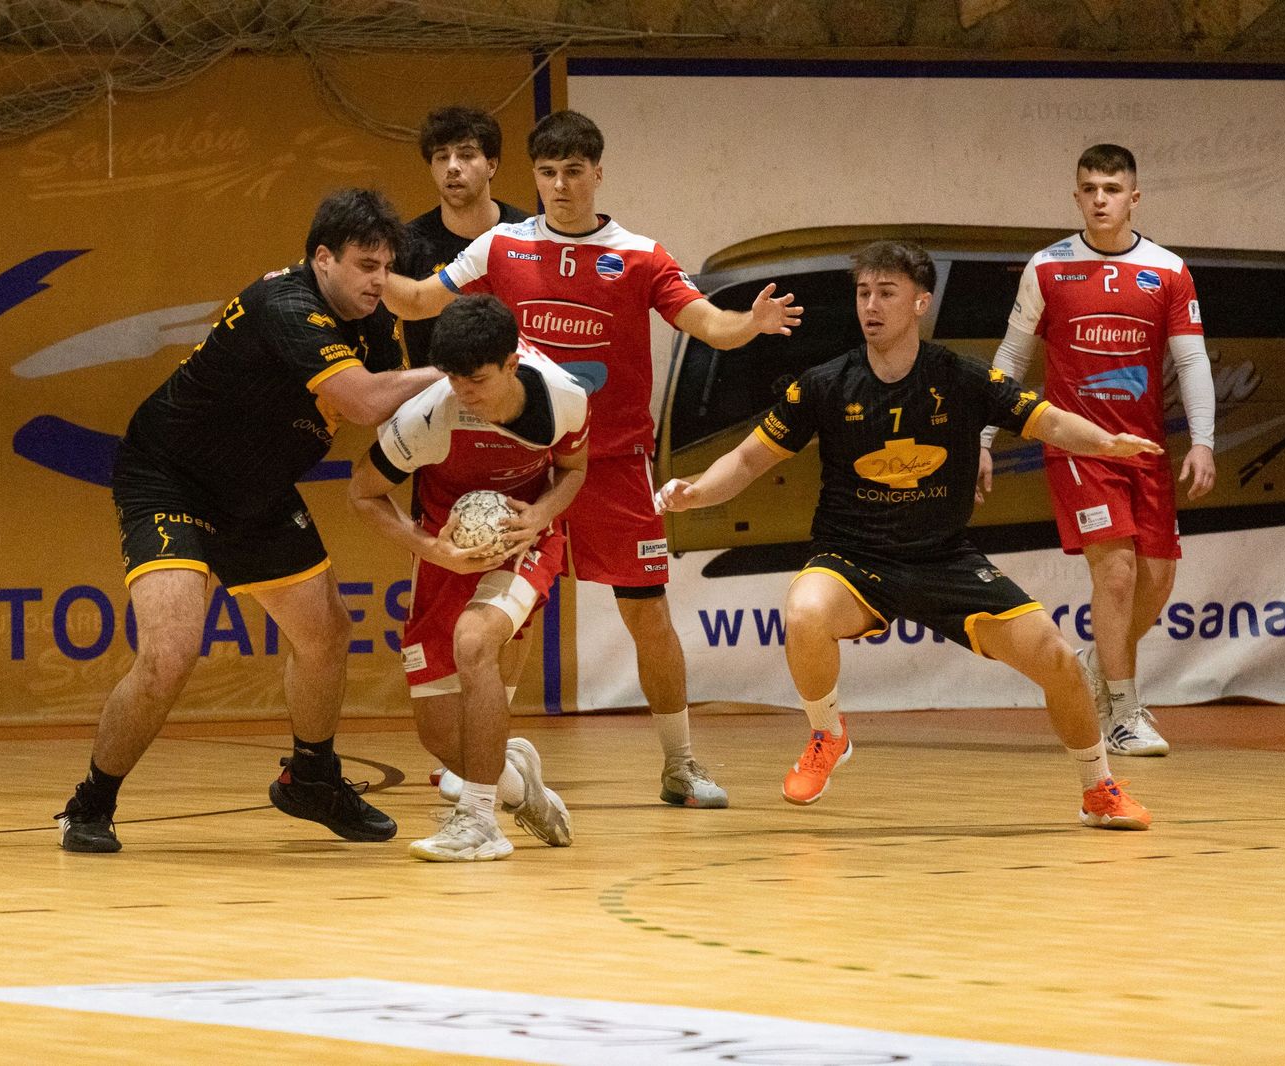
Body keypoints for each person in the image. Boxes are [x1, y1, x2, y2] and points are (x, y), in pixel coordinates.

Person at [383, 110, 802, 809]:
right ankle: (481, 762)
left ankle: (681, 764)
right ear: (534, 176)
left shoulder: (639, 255)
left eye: (573, 172)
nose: (559, 186)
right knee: (504, 620)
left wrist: (748, 325)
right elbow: (424, 298)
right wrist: (353, 275)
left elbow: (706, 323)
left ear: (597, 173)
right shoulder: (500, 246)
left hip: (609, 465)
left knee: (647, 617)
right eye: (547, 173)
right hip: (520, 465)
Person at [657, 240, 1154, 830]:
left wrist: (1103, 443)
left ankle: (1098, 788)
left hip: (943, 558)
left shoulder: (959, 377)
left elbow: (1043, 417)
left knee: (1059, 661)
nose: (871, 305)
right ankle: (828, 734)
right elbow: (744, 462)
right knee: (805, 611)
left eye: (886, 293)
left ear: (920, 302)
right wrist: (695, 491)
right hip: (852, 558)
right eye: (863, 293)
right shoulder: (824, 384)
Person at [53, 189, 443, 853]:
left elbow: (391, 409)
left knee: (325, 634)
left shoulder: (372, 320)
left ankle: (312, 779)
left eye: (386, 266)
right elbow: (365, 400)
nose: (379, 280)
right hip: (171, 478)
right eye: (364, 265)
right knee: (170, 654)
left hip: (258, 489)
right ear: (323, 259)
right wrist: (458, 372)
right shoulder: (286, 305)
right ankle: (91, 802)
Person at [978, 144, 1215, 758]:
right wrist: (983, 436)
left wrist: (1205, 442)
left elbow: (1190, 360)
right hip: (1077, 447)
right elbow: (1009, 358)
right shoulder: (1048, 267)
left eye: (1112, 188)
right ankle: (1123, 711)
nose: (1101, 199)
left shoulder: (1167, 269)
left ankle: (1093, 663)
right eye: (1090, 188)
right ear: (1077, 195)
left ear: (1134, 197)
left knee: (1155, 584)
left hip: (1146, 451)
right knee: (1114, 573)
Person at [348, 294, 589, 861]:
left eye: (476, 379)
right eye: (454, 378)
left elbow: (574, 470)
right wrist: (433, 548)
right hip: (445, 549)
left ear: (512, 362)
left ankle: (480, 822)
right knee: (438, 736)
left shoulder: (563, 399)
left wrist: (543, 513)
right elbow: (362, 492)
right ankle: (515, 782)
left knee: (473, 641)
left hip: (525, 539)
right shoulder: (429, 416)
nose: (464, 393)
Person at [399, 106, 530, 366]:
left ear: (491, 165)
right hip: (435, 398)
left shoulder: (530, 235)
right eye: (441, 157)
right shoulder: (406, 243)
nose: (452, 167)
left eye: (466, 155)